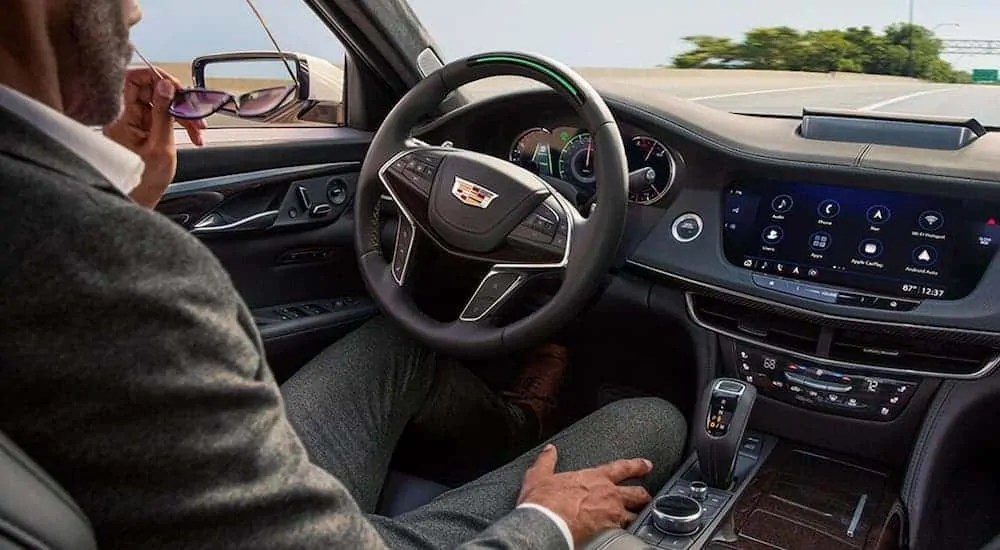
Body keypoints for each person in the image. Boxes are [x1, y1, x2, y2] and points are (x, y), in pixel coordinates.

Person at [0, 1, 689, 548]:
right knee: (653, 419)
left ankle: (517, 425)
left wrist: (126, 201)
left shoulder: (52, 223)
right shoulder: (103, 263)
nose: (138, 14)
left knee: (401, 349)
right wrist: (547, 525)